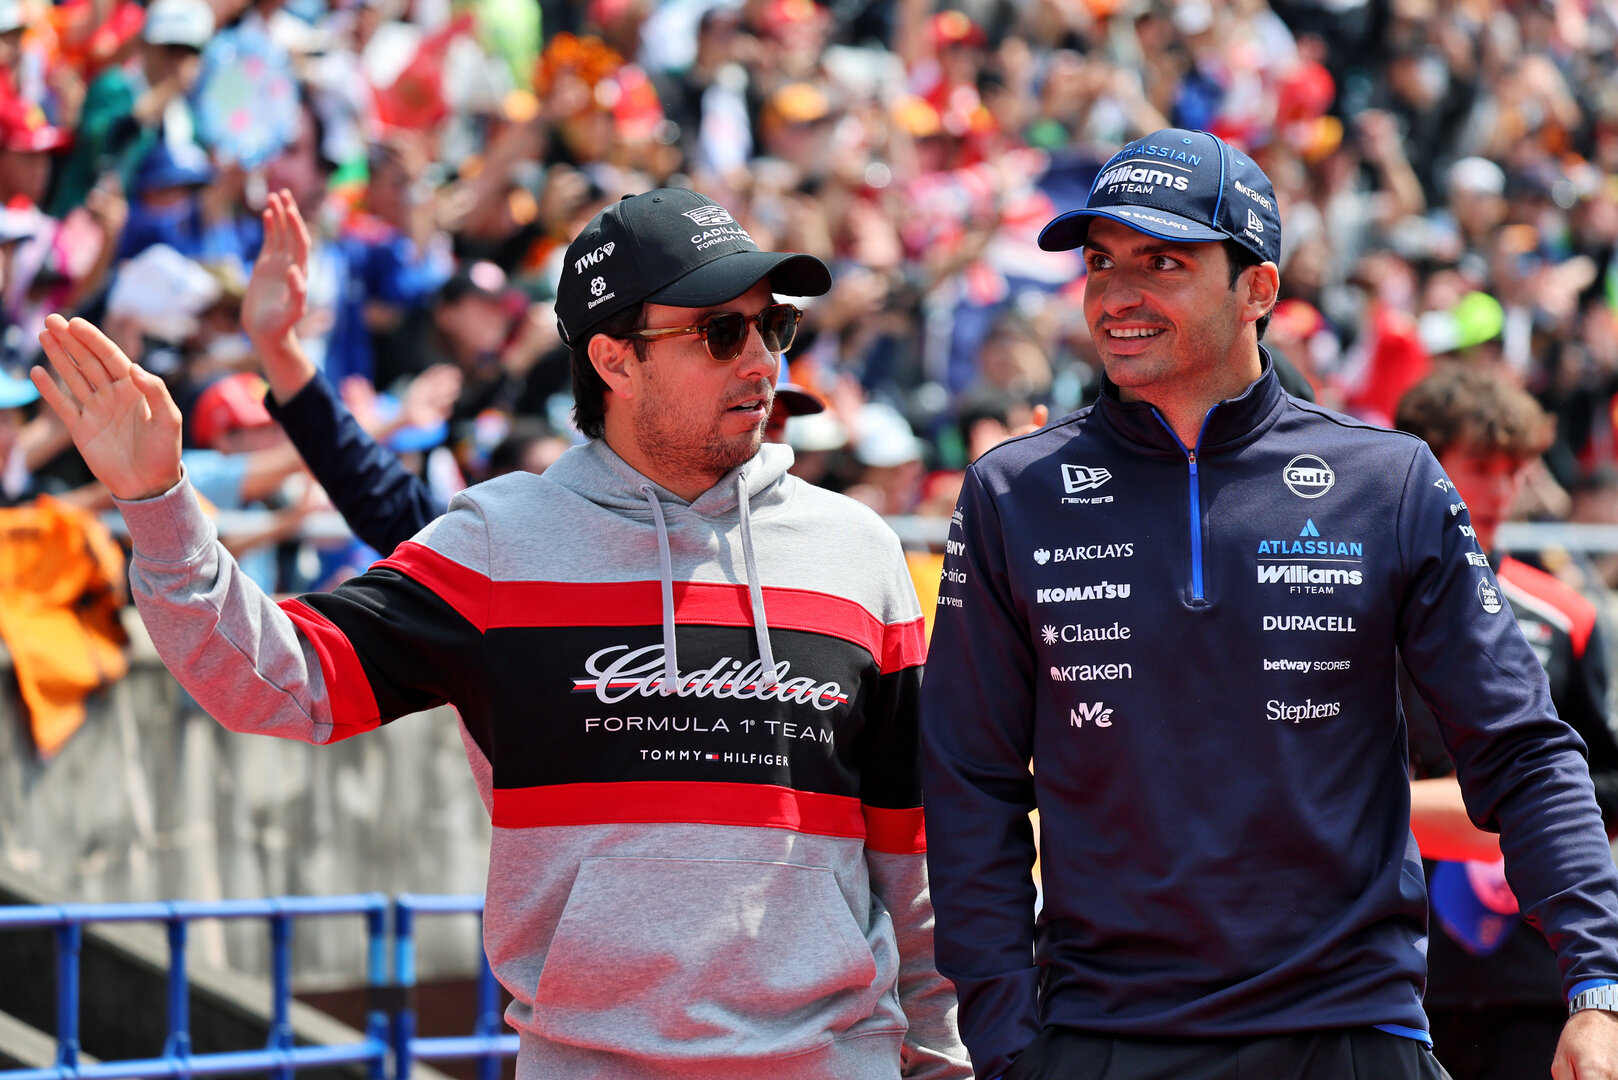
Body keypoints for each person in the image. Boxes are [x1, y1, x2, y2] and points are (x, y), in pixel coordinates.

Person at [31, 187, 971, 1078]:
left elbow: (914, 853)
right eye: (723, 332)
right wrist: (156, 499)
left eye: (775, 326)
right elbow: (276, 681)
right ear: (613, 359)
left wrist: (944, 1058)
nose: (763, 362)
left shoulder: (859, 552)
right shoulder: (497, 541)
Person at [919, 127, 1618, 1080]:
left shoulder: (1390, 481)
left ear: (1260, 288)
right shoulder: (1012, 493)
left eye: (1162, 261)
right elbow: (970, 784)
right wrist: (1005, 1046)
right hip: (1102, 1036)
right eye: (1100, 262)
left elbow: (1522, 747)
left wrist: (1596, 986)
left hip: (1350, 1030)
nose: (1117, 295)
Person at [1395, 365, 1618, 1080]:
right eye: (1478, 467)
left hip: (1530, 969)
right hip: (1393, 960)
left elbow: (1602, 782)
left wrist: (1481, 820)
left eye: (1512, 470)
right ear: (1421, 466)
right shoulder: (1356, 602)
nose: (1497, 491)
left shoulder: (1564, 612)